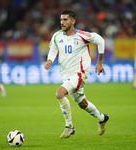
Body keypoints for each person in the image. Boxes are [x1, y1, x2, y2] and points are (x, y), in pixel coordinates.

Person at [44, 10, 109, 139]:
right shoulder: (57, 36)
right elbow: (53, 50)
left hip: (80, 74)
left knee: (59, 94)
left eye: (65, 20)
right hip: (66, 75)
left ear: (73, 21)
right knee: (83, 104)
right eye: (61, 20)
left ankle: (69, 126)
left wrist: (100, 62)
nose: (62, 22)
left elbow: (100, 40)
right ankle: (102, 118)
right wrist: (50, 60)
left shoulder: (81, 36)